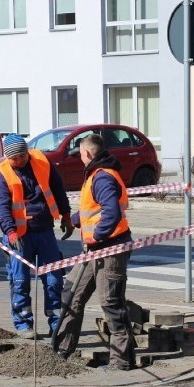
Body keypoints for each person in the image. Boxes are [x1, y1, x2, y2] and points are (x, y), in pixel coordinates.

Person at [54, 133, 136, 370]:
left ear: (87, 153)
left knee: (111, 302)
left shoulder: (102, 177)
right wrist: (74, 220)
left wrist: (97, 235)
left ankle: (121, 361)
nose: (79, 158)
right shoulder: (97, 175)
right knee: (71, 293)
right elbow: (95, 210)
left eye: (79, 153)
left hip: (110, 250)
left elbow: (111, 213)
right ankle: (61, 352)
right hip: (94, 250)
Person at [0, 133, 74, 339]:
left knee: (54, 280)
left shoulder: (42, 163)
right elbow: (1, 208)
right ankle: (23, 324)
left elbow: (58, 189)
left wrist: (66, 215)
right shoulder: (1, 175)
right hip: (18, 236)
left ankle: (56, 324)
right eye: (14, 158)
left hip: (44, 230)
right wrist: (10, 232)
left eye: (22, 156)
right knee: (20, 280)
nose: (19, 161)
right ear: (7, 157)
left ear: (27, 152)